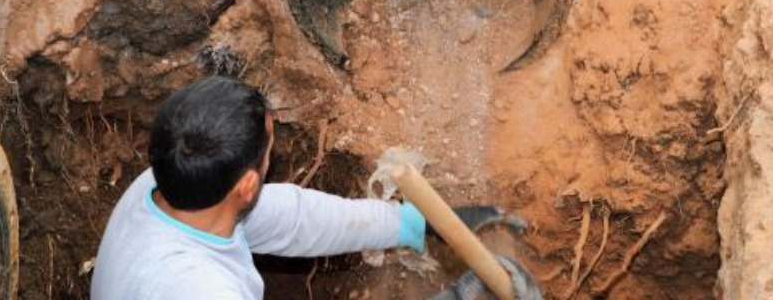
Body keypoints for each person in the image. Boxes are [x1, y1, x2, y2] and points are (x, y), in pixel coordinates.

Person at [91, 76, 540, 300]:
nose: (272, 154)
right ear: (246, 185)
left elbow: (292, 217)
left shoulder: (171, 180)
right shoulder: (200, 290)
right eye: (268, 148)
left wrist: (415, 225)